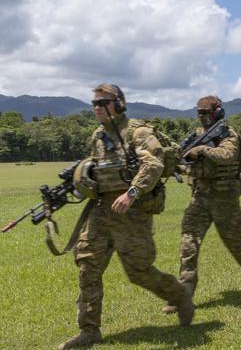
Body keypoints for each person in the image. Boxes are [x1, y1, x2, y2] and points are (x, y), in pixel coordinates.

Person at [59, 84, 194, 350]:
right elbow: (96, 167)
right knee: (88, 266)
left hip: (132, 211)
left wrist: (132, 192)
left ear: (119, 103)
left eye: (103, 103)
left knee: (139, 272)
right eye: (94, 103)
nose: (97, 108)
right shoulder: (97, 135)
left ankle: (180, 296)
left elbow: (153, 163)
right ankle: (89, 330)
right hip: (101, 211)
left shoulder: (137, 131)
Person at [163, 95, 241, 315]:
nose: (201, 116)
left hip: (225, 199)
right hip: (200, 196)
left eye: (205, 112)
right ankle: (184, 293)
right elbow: (185, 159)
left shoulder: (229, 135)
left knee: (235, 244)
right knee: (188, 242)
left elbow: (227, 156)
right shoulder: (197, 135)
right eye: (198, 112)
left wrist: (202, 151)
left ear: (217, 112)